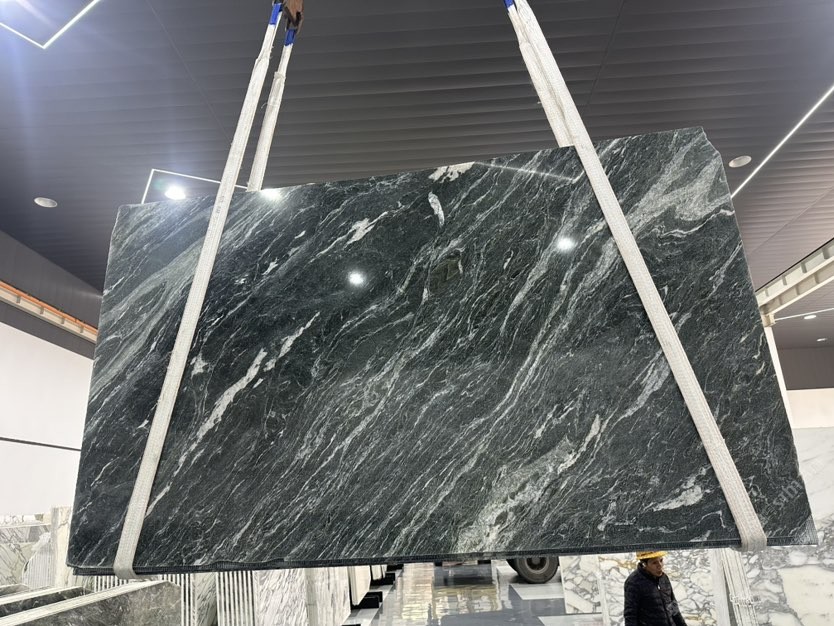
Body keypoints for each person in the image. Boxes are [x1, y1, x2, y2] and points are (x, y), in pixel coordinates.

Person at [623, 550, 688, 626]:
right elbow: (630, 616)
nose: (660, 565)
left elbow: (674, 609)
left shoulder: (664, 578)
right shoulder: (633, 583)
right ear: (644, 564)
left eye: (661, 560)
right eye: (654, 563)